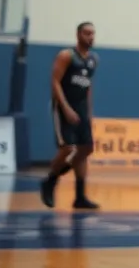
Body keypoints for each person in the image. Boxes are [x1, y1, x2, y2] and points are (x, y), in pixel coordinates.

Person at [40, 21, 100, 210]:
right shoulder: (66, 56)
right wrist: (65, 108)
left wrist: (89, 113)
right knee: (67, 148)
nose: (90, 37)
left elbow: (88, 87)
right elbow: (55, 82)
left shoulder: (93, 60)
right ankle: (50, 180)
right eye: (86, 33)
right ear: (78, 35)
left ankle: (80, 197)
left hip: (81, 108)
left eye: (92, 34)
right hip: (64, 106)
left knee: (87, 149)